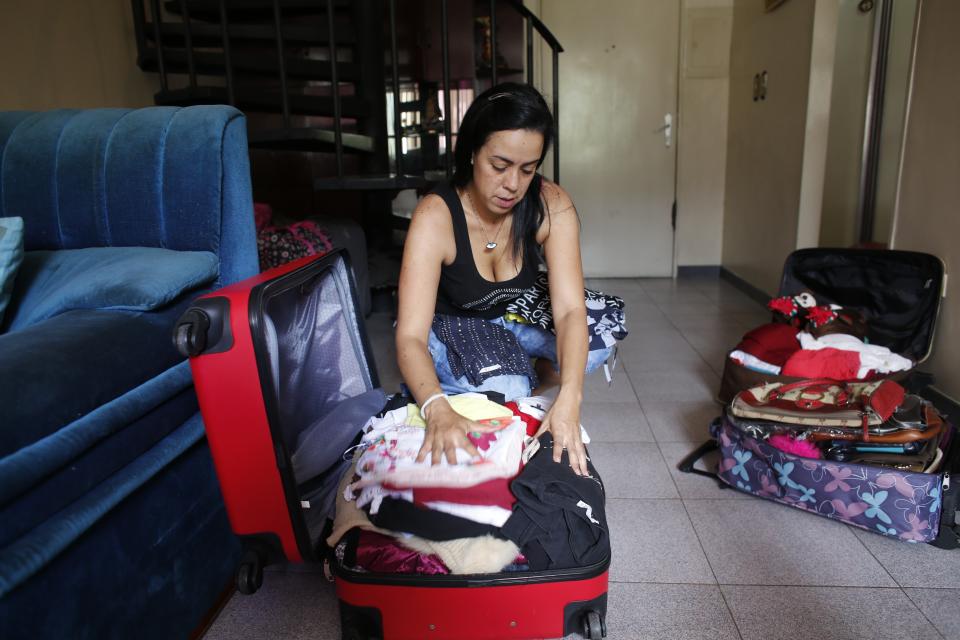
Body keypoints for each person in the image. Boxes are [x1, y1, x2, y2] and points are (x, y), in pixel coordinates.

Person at [395, 82, 612, 477]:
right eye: (500, 166)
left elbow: (569, 309)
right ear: (472, 151)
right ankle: (498, 376)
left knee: (598, 339)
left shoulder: (551, 204)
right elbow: (409, 335)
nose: (512, 184)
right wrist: (436, 408)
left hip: (511, 317)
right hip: (451, 324)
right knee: (509, 389)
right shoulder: (435, 216)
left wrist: (570, 397)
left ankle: (503, 370)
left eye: (527, 169)